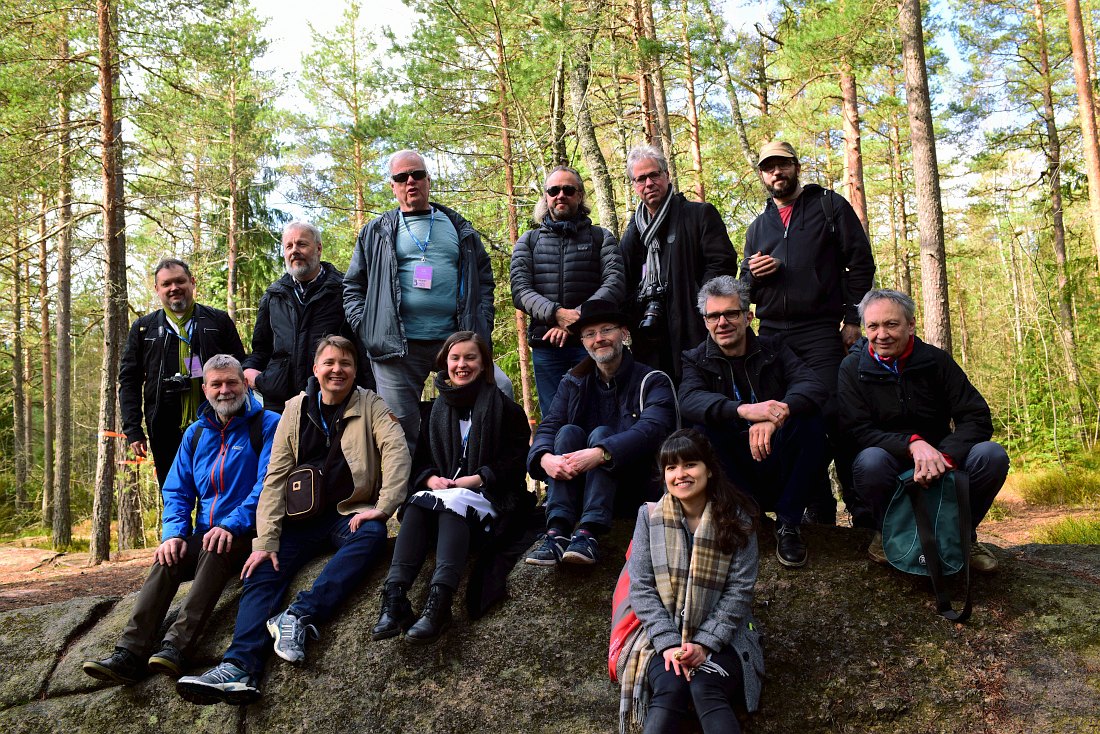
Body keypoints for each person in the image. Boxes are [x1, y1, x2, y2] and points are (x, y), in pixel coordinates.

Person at [176, 336, 411, 705]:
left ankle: (299, 615)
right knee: (261, 569)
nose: (338, 370)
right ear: (316, 369)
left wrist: (383, 506)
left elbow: (396, 452)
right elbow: (274, 477)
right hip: (299, 520)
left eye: (345, 363)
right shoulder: (295, 409)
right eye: (329, 363)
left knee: (372, 536)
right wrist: (265, 541)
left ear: (354, 369)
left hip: (347, 514)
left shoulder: (372, 406)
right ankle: (239, 667)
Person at [83, 355, 280, 684]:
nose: (224, 390)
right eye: (216, 384)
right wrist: (173, 534)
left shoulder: (268, 424)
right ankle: (129, 653)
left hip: (251, 531)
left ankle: (176, 647)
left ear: (244, 384)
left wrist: (230, 524)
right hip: (205, 532)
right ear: (205, 390)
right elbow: (177, 490)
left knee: (216, 547)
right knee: (167, 557)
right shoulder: (196, 434)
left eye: (231, 382)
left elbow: (267, 485)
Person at [742, 140, 877, 525]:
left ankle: (860, 507)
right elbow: (742, 288)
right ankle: (817, 506)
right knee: (787, 419)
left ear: (795, 166)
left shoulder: (829, 206)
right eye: (768, 168)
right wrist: (752, 274)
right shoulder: (758, 227)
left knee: (832, 413)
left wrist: (854, 318)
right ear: (762, 176)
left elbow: (861, 263)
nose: (776, 173)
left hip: (819, 330)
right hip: (770, 336)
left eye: (782, 165)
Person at [344, 149, 507, 456]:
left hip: (453, 343)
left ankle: (477, 487)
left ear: (428, 181)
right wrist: (367, 328)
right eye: (401, 177)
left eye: (417, 175)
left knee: (498, 390)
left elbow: (484, 281)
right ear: (392, 186)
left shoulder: (458, 227)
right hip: (395, 348)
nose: (410, 181)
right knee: (399, 429)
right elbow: (353, 286)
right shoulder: (376, 232)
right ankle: (405, 501)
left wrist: (481, 325)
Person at [371, 331, 532, 645]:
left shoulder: (506, 410)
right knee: (419, 499)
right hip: (445, 502)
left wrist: (479, 478)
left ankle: (440, 603)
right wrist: (431, 479)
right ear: (445, 363)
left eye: (470, 357)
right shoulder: (432, 412)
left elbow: (516, 460)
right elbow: (420, 465)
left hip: (491, 500)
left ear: (484, 364)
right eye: (455, 358)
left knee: (452, 501)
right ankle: (395, 598)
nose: (462, 365)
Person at [837, 289, 1009, 572]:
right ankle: (886, 535)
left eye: (891, 324)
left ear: (911, 324)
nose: (882, 334)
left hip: (942, 456)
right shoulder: (852, 368)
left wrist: (945, 457)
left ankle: (963, 536)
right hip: (889, 459)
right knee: (870, 461)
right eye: (873, 326)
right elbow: (856, 431)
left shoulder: (936, 361)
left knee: (991, 455)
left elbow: (976, 417)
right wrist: (912, 444)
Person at [618, 429, 763, 734]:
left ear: (709, 469)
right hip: (661, 634)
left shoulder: (738, 520)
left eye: (690, 465)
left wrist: (704, 643)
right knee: (671, 687)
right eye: (671, 467)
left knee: (704, 687)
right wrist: (670, 643)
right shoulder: (649, 517)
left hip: (726, 636)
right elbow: (642, 588)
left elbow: (739, 591)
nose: (680, 475)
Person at [679, 276, 827, 567]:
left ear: (748, 316)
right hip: (734, 470)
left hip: (777, 460)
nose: (722, 322)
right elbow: (689, 399)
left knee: (810, 420)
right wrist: (746, 411)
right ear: (705, 321)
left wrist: (776, 415)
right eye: (714, 316)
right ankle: (741, 517)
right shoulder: (695, 359)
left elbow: (812, 385)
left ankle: (788, 524)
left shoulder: (775, 348)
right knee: (700, 431)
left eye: (731, 313)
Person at [524, 300, 677, 567]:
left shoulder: (652, 380)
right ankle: (557, 531)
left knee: (603, 433)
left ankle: (589, 534)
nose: (599, 339)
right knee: (568, 431)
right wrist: (545, 458)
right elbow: (550, 426)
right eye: (590, 334)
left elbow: (652, 430)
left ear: (625, 334)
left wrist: (602, 453)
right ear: (583, 342)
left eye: (607, 330)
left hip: (633, 487)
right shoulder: (573, 381)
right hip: (581, 489)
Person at [120, 258, 246, 487]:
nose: (174, 288)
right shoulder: (143, 329)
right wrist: (133, 429)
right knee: (173, 493)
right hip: (164, 427)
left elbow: (241, 369)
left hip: (216, 422)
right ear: (157, 289)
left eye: (180, 281)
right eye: (166, 284)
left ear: (192, 282)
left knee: (218, 489)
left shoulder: (217, 322)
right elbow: (129, 380)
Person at [619, 144, 739, 382]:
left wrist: (699, 304)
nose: (649, 183)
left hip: (693, 330)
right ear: (634, 186)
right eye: (641, 179)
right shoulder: (633, 231)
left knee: (697, 396)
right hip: (650, 336)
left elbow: (721, 265)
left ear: (667, 175)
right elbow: (623, 279)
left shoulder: (698, 215)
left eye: (654, 175)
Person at [511, 165, 626, 410]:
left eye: (568, 189)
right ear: (546, 197)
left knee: (598, 412)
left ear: (580, 195)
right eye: (553, 190)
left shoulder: (601, 238)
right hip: (547, 347)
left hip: (593, 344)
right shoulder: (528, 241)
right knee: (554, 417)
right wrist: (556, 314)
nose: (560, 195)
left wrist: (575, 320)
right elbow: (520, 290)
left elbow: (614, 284)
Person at [244, 221, 372, 413]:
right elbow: (261, 349)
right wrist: (249, 371)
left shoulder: (344, 292)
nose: (294, 250)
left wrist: (368, 394)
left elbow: (363, 349)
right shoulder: (273, 296)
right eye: (289, 246)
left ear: (318, 248)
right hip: (280, 403)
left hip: (332, 400)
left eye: (302, 244)